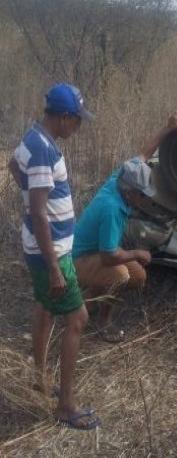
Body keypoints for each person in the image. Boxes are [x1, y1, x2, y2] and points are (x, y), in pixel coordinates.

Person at [8, 83, 100, 430]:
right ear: (63, 118)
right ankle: (66, 405)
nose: (77, 128)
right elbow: (40, 214)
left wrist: (30, 190)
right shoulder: (45, 150)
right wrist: (54, 267)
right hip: (52, 255)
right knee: (78, 319)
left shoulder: (33, 138)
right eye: (76, 121)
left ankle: (40, 377)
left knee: (45, 308)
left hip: (41, 250)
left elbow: (13, 166)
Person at [72, 111, 177, 343]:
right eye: (142, 196)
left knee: (138, 276)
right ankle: (103, 320)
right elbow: (109, 256)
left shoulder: (122, 177)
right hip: (79, 259)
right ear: (130, 193)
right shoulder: (112, 208)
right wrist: (137, 253)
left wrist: (168, 128)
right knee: (120, 275)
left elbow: (144, 153)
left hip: (96, 252)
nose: (145, 201)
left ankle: (88, 299)